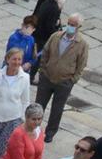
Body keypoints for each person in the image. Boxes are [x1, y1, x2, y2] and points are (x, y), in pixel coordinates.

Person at [33, 14, 88, 142]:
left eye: (73, 25)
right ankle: (34, 127)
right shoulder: (56, 36)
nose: (70, 26)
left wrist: (72, 80)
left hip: (64, 82)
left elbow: (81, 64)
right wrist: (42, 70)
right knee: (39, 105)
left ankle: (50, 133)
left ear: (79, 27)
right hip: (47, 77)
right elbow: (45, 53)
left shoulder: (82, 44)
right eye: (69, 23)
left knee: (57, 109)